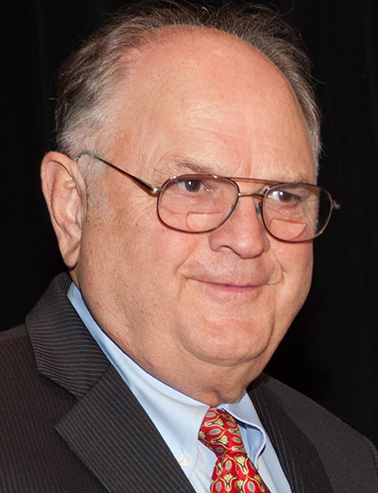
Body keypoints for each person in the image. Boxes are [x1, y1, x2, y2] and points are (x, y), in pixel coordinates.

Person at [1, 1, 377, 492]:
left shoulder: (349, 461)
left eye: (284, 195)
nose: (247, 239)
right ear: (73, 205)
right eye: (192, 186)